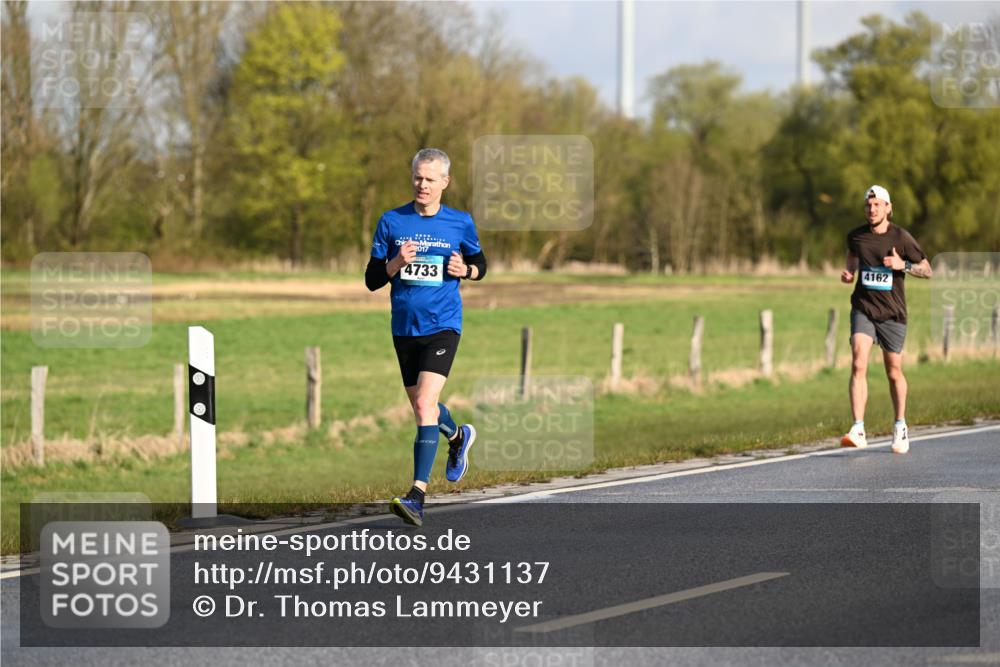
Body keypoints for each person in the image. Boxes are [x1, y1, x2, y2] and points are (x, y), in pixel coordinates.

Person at [365, 148, 487, 526]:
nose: (422, 184)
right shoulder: (391, 221)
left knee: (423, 407)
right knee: (425, 408)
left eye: (430, 179)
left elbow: (482, 265)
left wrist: (465, 269)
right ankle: (457, 437)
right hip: (404, 329)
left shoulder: (459, 223)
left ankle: (417, 495)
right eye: (418, 177)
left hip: (443, 325)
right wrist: (396, 263)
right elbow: (372, 280)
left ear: (444, 183)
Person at [840, 185, 932, 454]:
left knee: (893, 371)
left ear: (888, 208)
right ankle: (858, 428)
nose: (872, 209)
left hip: (893, 313)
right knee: (858, 360)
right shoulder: (855, 236)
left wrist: (901, 265)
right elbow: (853, 255)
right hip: (864, 308)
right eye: (868, 205)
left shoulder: (901, 237)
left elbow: (927, 270)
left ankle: (900, 425)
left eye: (877, 205)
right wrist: (849, 272)